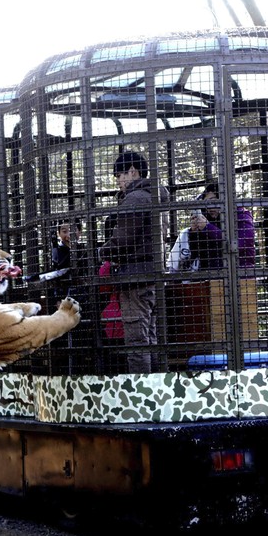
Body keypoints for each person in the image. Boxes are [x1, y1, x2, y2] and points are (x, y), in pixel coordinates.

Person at [99, 151, 161, 374]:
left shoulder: (135, 198)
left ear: (132, 171)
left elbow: (123, 239)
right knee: (150, 336)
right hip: (152, 274)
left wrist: (102, 251)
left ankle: (141, 392)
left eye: (119, 175)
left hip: (134, 277)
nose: (118, 181)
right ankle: (157, 387)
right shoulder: (154, 196)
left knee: (136, 338)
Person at [199, 183, 255, 268]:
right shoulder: (212, 219)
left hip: (242, 273)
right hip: (217, 275)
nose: (209, 207)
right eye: (206, 204)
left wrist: (208, 228)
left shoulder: (242, 215)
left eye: (212, 201)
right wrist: (194, 231)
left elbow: (238, 244)